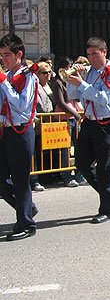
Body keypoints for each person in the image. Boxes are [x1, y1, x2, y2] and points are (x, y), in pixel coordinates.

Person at [67, 36, 110, 224]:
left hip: (106, 123)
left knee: (105, 167)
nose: (90, 58)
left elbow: (103, 99)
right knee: (82, 163)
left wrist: (82, 84)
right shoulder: (89, 72)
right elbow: (73, 95)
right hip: (89, 122)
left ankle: (107, 209)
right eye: (88, 54)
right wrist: (73, 79)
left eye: (94, 53)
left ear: (104, 52)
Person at [0, 34, 38, 241]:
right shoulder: (6, 75)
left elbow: (22, 105)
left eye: (7, 55)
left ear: (19, 54)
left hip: (21, 130)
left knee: (21, 179)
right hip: (5, 130)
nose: (3, 59)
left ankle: (26, 224)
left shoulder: (28, 76)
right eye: (1, 55)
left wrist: (5, 84)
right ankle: (27, 208)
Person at [51, 56, 85, 187]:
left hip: (73, 119)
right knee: (65, 150)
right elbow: (60, 102)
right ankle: (66, 176)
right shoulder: (58, 83)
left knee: (80, 148)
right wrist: (76, 114)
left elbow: (76, 98)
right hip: (63, 119)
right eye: (68, 67)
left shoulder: (70, 82)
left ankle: (79, 174)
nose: (69, 70)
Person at [30, 60, 56, 192]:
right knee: (35, 152)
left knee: (47, 152)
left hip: (49, 123)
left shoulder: (50, 85)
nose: (48, 75)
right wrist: (46, 116)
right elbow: (39, 104)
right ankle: (35, 179)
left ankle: (47, 176)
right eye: (44, 73)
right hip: (39, 123)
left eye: (49, 72)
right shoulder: (36, 85)